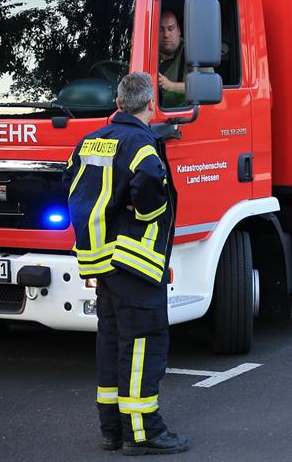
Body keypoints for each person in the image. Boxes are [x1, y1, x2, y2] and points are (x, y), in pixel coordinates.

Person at [63, 71, 188, 455]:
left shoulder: (89, 141)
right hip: (135, 262)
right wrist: (146, 210)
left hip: (101, 263)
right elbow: (150, 182)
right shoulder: (142, 144)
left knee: (113, 342)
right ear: (151, 104)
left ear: (118, 103)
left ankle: (112, 429)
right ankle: (143, 432)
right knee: (143, 344)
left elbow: (69, 183)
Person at [157, 10, 186, 108]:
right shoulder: (145, 51)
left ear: (179, 30)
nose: (166, 35)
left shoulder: (192, 52)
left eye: (170, 29)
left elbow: (207, 87)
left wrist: (171, 86)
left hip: (182, 115)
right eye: (161, 29)